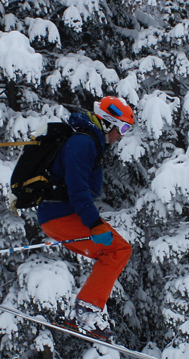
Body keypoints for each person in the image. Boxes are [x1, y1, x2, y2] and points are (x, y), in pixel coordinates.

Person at [37, 96, 135, 338]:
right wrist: (94, 223)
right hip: (60, 214)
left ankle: (84, 311)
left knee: (113, 251)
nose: (122, 135)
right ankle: (86, 312)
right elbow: (77, 188)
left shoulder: (87, 141)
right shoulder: (83, 142)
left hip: (57, 214)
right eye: (122, 128)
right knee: (118, 250)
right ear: (108, 121)